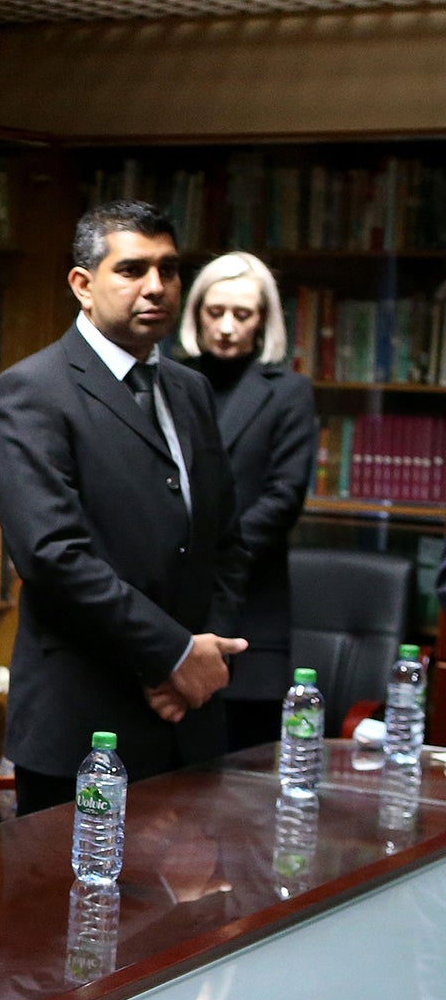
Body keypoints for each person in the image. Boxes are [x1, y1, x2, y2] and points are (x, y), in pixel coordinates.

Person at [0, 201, 248, 814]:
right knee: (72, 909)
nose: (155, 287)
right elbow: (53, 556)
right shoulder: (32, 391)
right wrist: (173, 657)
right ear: (83, 284)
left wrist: (202, 660)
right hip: (84, 722)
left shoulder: (190, 389)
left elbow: (226, 542)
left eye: (168, 269)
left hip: (192, 721)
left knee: (199, 910)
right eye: (131, 270)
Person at [178, 252, 318, 750]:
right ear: (196, 314)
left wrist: (212, 555)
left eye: (242, 314)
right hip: (173, 609)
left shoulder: (289, 392)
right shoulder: (171, 381)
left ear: (264, 321)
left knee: (246, 775)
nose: (227, 326)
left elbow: (283, 499)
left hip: (253, 611)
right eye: (215, 312)